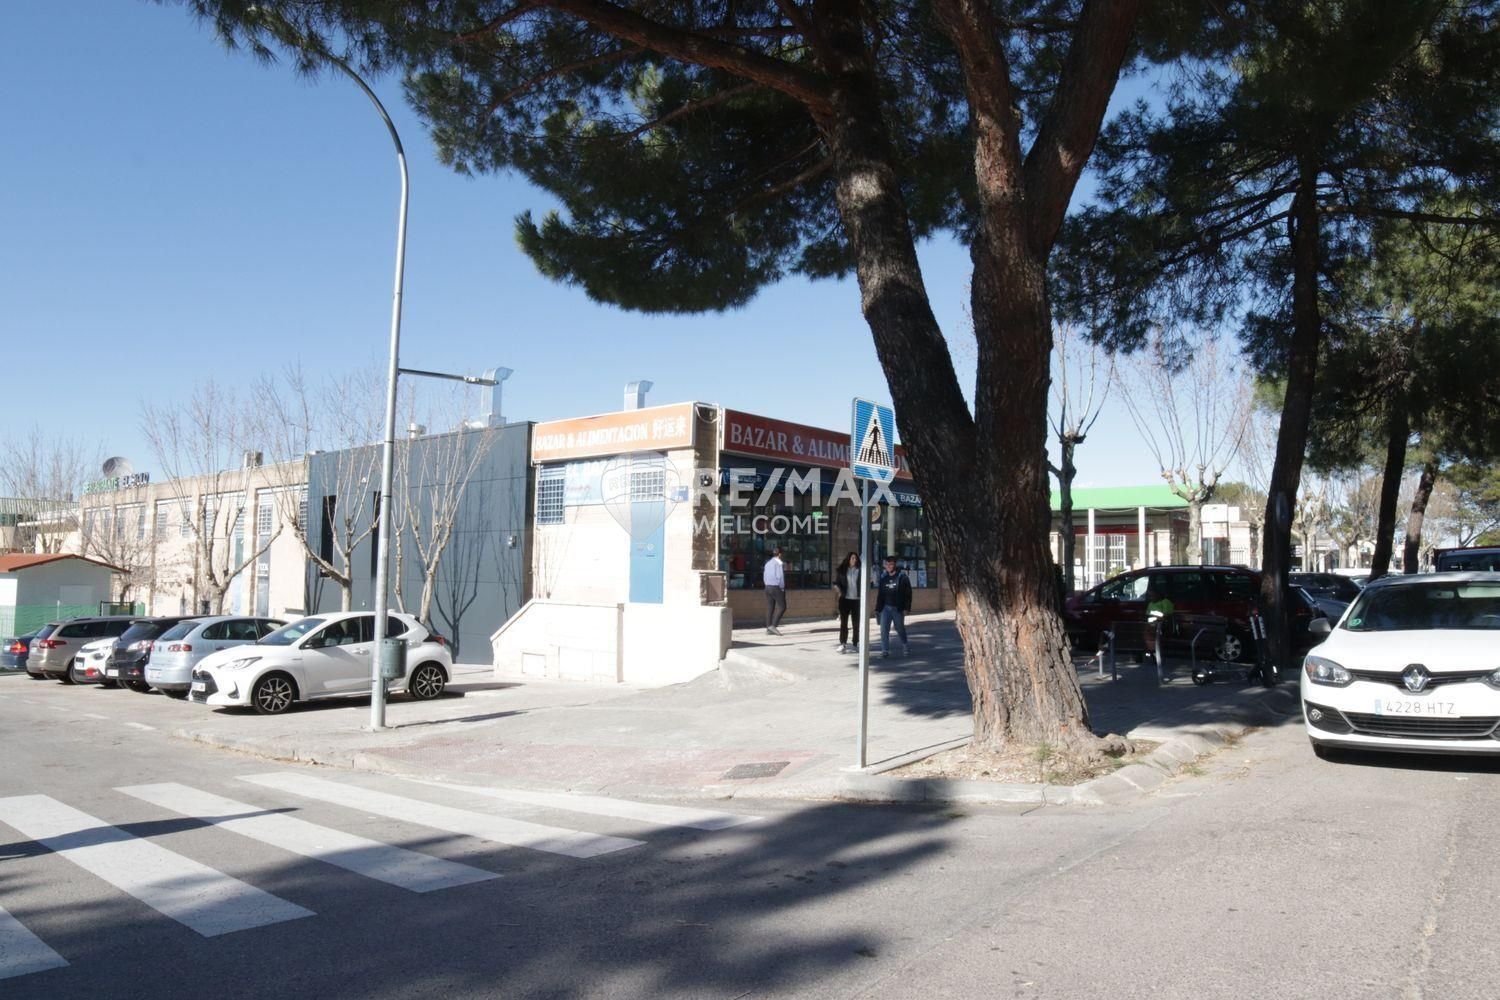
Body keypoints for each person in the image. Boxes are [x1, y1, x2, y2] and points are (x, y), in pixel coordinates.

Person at [874, 556, 912, 657]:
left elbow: (908, 594)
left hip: (897, 608)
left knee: (900, 628)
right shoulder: (883, 578)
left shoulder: (902, 577)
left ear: (895, 565)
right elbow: (880, 594)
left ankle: (905, 645)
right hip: (885, 608)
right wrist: (877, 609)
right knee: (884, 629)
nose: (888, 566)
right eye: (887, 564)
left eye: (891, 564)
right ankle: (885, 651)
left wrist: (907, 608)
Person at [832, 552, 862, 653]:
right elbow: (837, 583)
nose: (854, 560)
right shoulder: (842, 570)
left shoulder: (860, 570)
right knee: (844, 623)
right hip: (845, 600)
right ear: (848, 559)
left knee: (856, 623)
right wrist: (838, 589)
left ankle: (856, 643)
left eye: (855, 558)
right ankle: (843, 644)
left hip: (856, 600)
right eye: (852, 558)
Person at [763, 547, 787, 635]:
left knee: (770, 607)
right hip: (775, 587)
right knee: (782, 607)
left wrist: (767, 585)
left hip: (767, 587)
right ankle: (773, 626)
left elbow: (765, 576)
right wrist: (782, 588)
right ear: (780, 554)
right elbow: (780, 577)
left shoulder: (768, 563)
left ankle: (768, 628)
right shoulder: (779, 563)